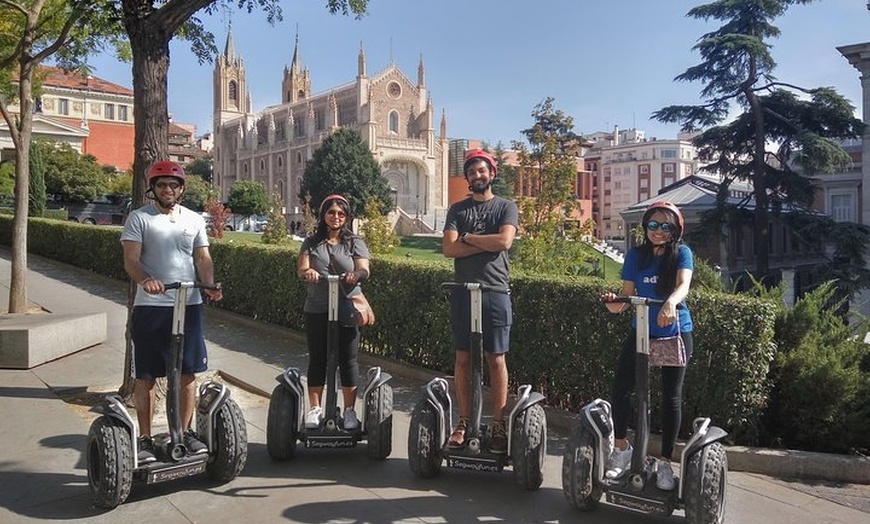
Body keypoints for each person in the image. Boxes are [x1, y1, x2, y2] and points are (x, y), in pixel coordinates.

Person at [121, 160, 223, 464]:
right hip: (152, 306)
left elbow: (203, 257)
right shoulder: (139, 218)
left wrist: (209, 285)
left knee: (188, 372)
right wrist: (146, 280)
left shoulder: (193, 219)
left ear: (181, 189)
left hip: (189, 303)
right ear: (153, 188)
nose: (168, 189)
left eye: (173, 185)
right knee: (148, 375)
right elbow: (131, 260)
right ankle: (145, 438)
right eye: (162, 184)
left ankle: (185, 432)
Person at [602, 201, 694, 491]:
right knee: (622, 388)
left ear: (676, 229)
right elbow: (626, 296)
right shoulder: (636, 256)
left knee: (671, 398)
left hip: (674, 331)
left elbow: (684, 286)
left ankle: (666, 462)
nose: (658, 230)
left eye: (666, 226)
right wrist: (612, 302)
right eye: (653, 225)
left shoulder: (682, 253)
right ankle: (622, 448)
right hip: (641, 331)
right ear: (645, 227)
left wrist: (670, 302)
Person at [442, 149, 519, 455]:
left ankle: (498, 423)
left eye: (482, 171)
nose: (477, 175)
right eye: (472, 172)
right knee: (462, 358)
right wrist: (481, 242)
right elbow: (449, 249)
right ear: (467, 178)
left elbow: (504, 242)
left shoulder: (505, 207)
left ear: (492, 174)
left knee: (496, 358)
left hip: (496, 291)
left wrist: (469, 239)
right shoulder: (457, 210)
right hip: (463, 291)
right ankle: (463, 422)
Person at [297, 194, 371, 431]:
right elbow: (302, 266)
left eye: (341, 213)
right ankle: (315, 408)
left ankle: (349, 411)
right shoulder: (311, 242)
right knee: (318, 358)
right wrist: (308, 273)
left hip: (347, 306)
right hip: (317, 306)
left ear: (346, 217)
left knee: (347, 360)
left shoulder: (354, 242)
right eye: (331, 212)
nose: (336, 217)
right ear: (323, 215)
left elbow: (364, 269)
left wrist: (356, 275)